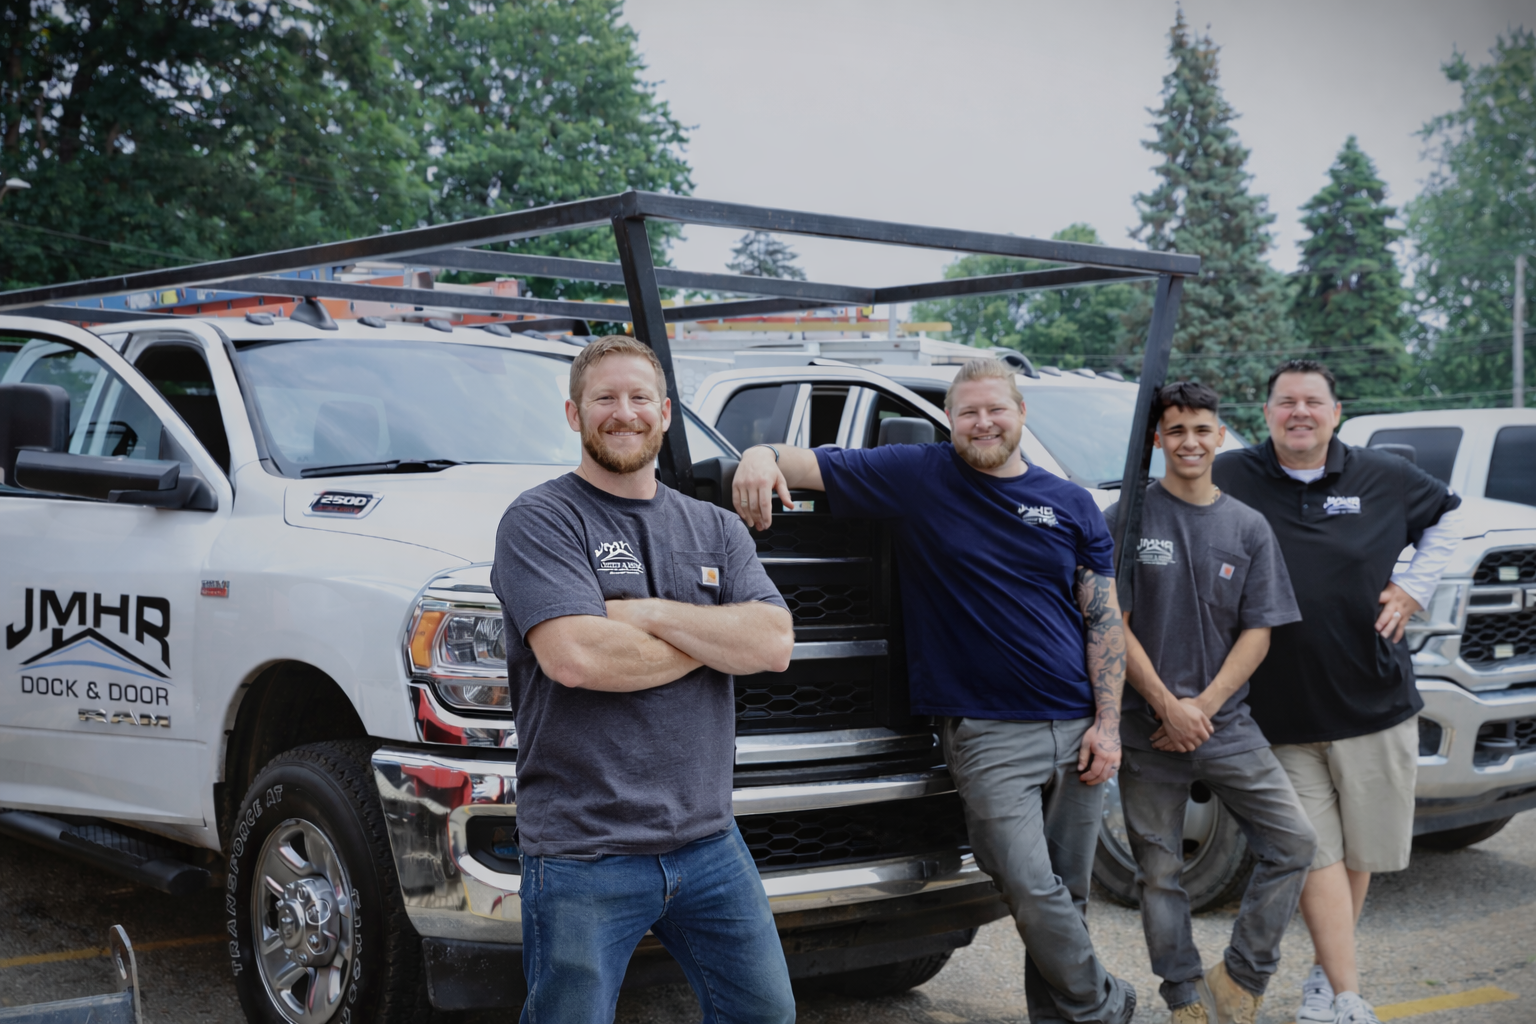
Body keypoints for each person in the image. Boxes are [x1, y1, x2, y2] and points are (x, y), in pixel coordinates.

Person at [732, 357, 1137, 1024]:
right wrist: (757, 454)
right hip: (985, 731)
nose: (982, 422)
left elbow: (1102, 619)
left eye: (995, 409)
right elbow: (802, 463)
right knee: (1028, 886)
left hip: (1078, 723)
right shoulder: (919, 476)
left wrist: (1109, 725)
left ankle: (1072, 1018)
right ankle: (1105, 1002)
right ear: (949, 421)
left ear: (1019, 415)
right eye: (968, 412)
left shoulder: (1070, 504)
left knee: (1069, 895)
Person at [491, 335, 797, 1024]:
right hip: (582, 849)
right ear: (575, 414)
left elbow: (774, 644)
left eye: (638, 399)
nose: (621, 413)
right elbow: (577, 658)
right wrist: (719, 636)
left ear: (664, 413)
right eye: (604, 398)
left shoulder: (715, 528)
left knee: (765, 1014)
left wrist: (649, 615)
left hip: (709, 842)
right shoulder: (542, 519)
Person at [1213, 360, 1463, 1024]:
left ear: (1336, 412)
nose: (1299, 412)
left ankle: (1326, 984)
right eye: (1285, 402)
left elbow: (1451, 520)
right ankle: (1349, 998)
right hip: (1276, 711)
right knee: (1312, 853)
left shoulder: (1383, 476)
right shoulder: (1230, 474)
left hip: (1373, 703)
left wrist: (1415, 587)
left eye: (1312, 402)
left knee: (1360, 854)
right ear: (1264, 413)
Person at [1104, 381, 1316, 1024]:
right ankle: (1185, 996)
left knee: (1294, 843)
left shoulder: (1247, 526)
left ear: (1221, 434)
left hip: (1226, 726)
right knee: (1160, 874)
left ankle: (1242, 976)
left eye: (1201, 429)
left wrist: (1202, 710)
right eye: (1176, 431)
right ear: (1157, 439)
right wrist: (1167, 705)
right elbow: (1114, 621)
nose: (1189, 442)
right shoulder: (1130, 518)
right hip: (1149, 731)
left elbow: (1259, 631)